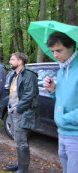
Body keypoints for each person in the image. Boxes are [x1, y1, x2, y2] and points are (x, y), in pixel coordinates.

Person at [43, 31, 78, 173]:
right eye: (52, 51)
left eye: (59, 50)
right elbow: (64, 100)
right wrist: (53, 91)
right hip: (62, 132)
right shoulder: (61, 71)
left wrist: (65, 118)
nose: (55, 55)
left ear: (72, 47)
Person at [5, 52, 39, 173]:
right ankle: (20, 163)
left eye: (12, 59)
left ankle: (23, 168)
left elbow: (29, 95)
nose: (10, 61)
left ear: (20, 61)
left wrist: (18, 108)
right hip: (13, 110)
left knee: (21, 140)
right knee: (17, 139)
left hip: (21, 112)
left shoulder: (28, 75)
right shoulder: (15, 75)